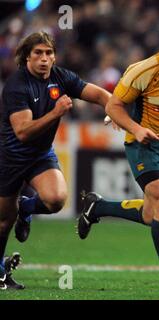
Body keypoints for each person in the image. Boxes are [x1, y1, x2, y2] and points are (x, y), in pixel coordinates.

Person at [77, 20, 159, 291]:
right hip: (143, 145)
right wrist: (137, 130)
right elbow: (114, 106)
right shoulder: (143, 70)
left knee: (154, 213)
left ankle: (97, 207)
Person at [0, 31, 111, 289]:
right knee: (4, 221)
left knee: (56, 200)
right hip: (12, 157)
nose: (44, 58)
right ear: (27, 56)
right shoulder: (18, 85)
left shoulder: (61, 77)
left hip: (40, 154)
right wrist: (56, 112)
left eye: (48, 53)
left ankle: (26, 208)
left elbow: (100, 95)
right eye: (38, 53)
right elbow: (23, 131)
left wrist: (112, 111)